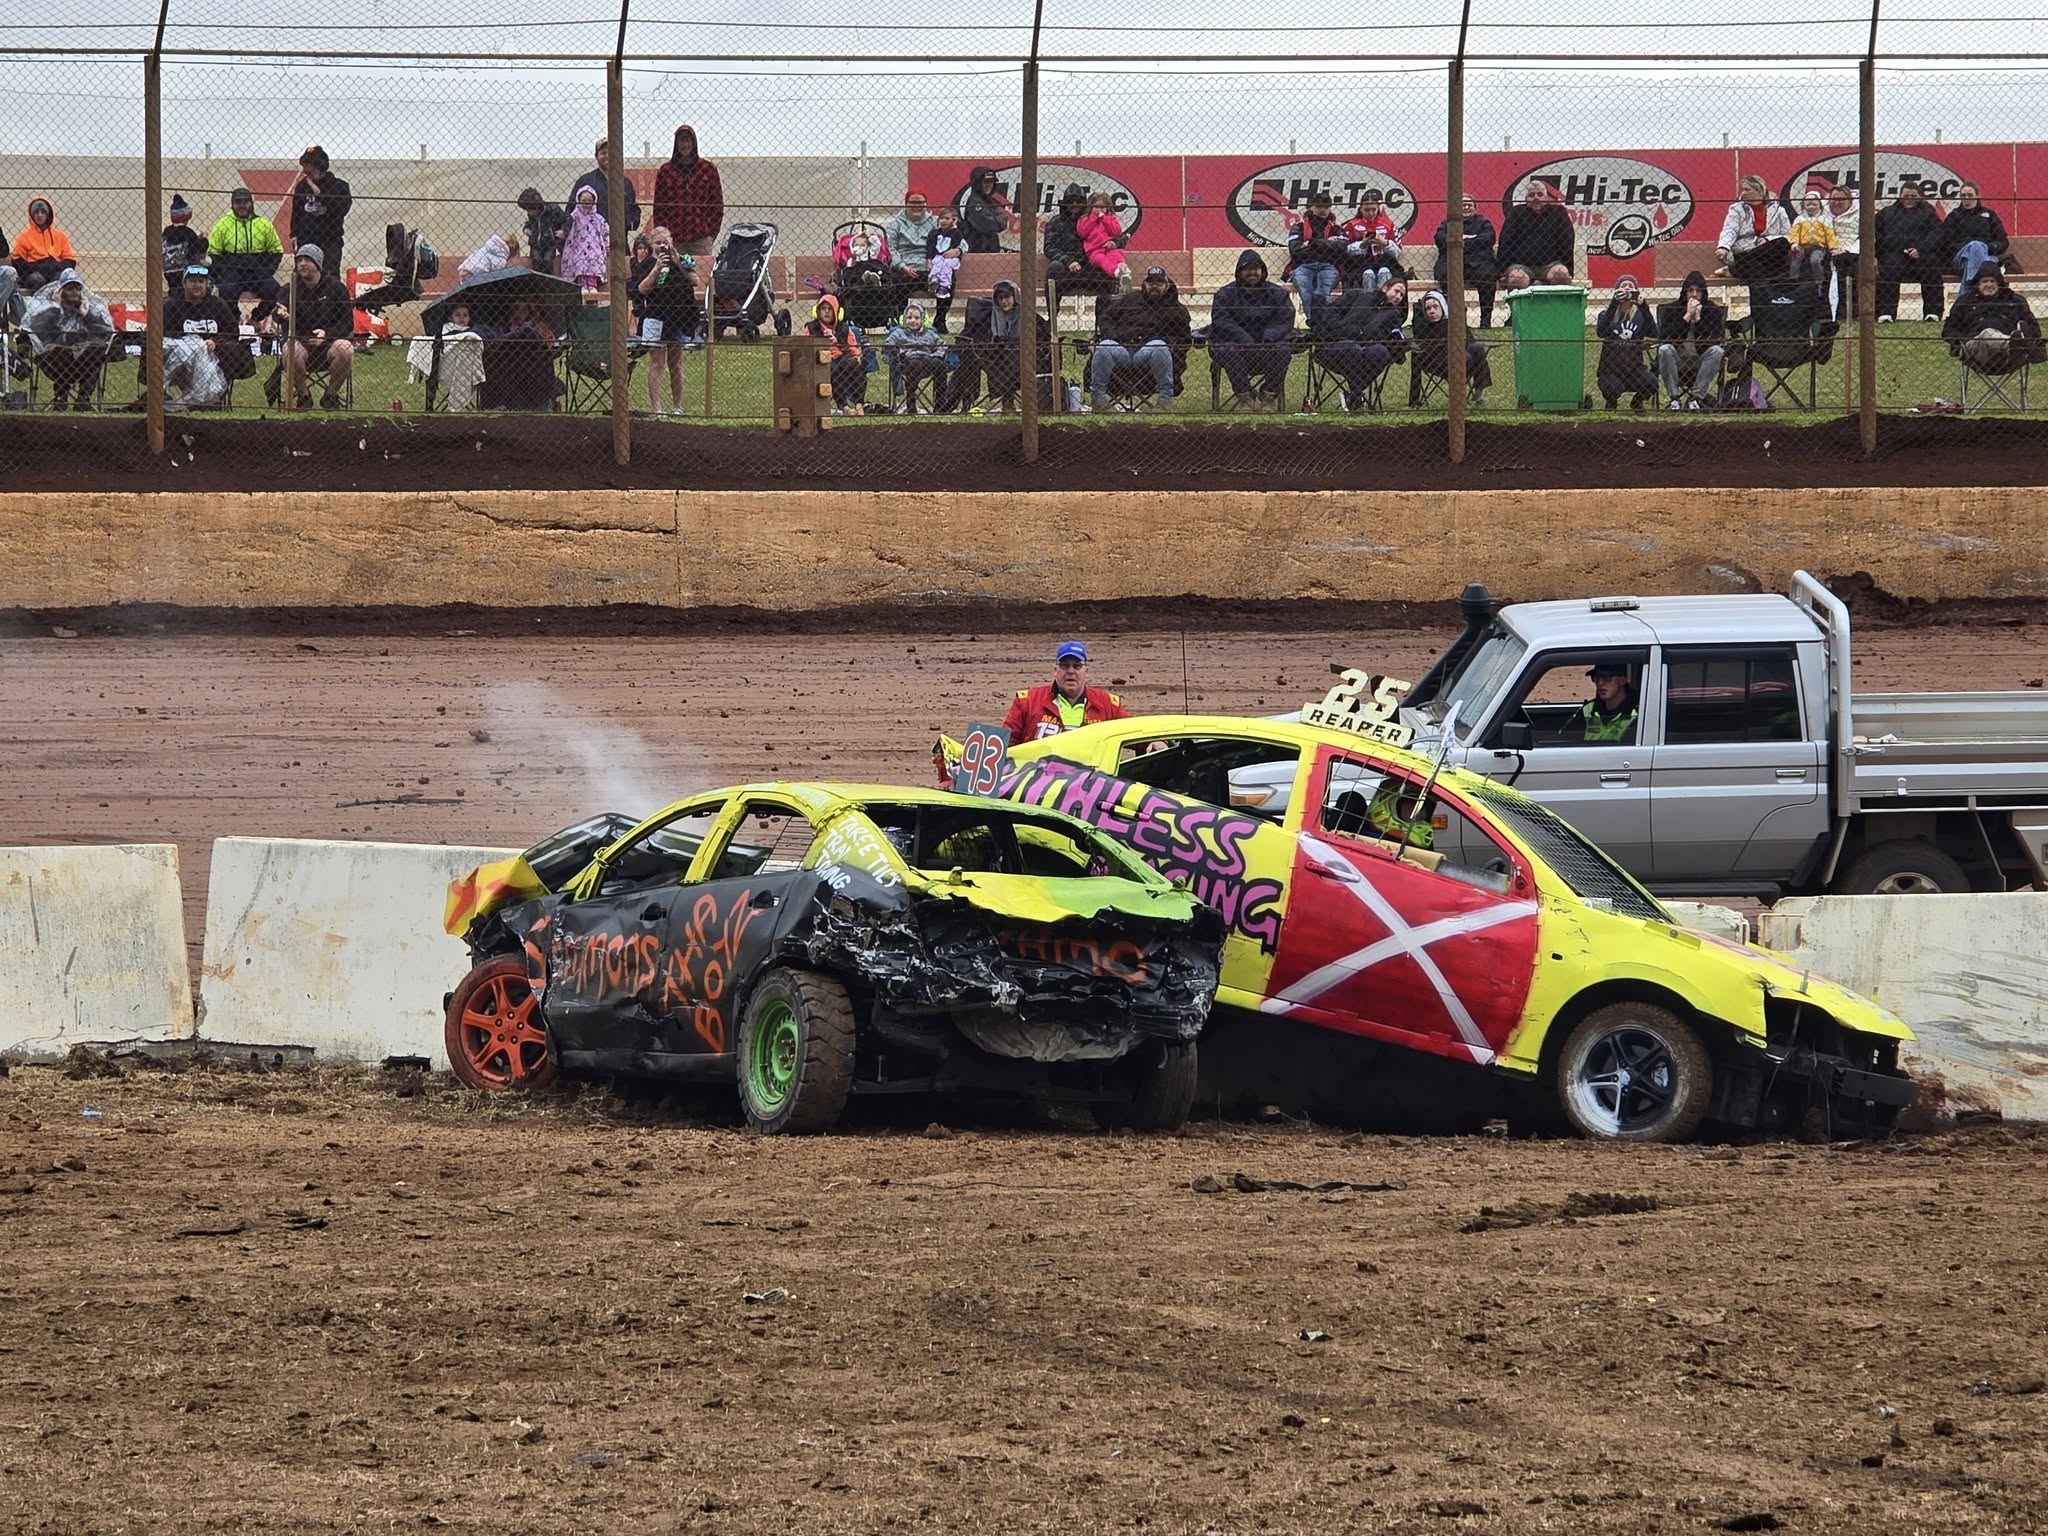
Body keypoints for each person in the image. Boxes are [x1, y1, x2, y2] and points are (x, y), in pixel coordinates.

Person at [1087, 264, 1188, 413]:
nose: (1154, 286)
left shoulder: (1176, 309)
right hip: (1122, 349)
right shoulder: (1130, 299)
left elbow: (1183, 336)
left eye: (1159, 283)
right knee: (1104, 346)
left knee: (1159, 346)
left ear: (1167, 286)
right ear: (1144, 284)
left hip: (1148, 353)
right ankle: (1099, 401)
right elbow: (1106, 318)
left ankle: (1164, 402)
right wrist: (1115, 337)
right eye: (1151, 283)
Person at [1210, 248, 1296, 412]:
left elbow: (1285, 320)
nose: (1252, 273)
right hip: (1238, 347)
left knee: (1284, 349)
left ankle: (1268, 396)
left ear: (1262, 271)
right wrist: (1242, 337)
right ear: (1239, 271)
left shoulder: (1277, 293)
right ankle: (1245, 397)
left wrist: (1270, 336)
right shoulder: (1225, 294)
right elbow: (1221, 321)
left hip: (1268, 346)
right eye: (1247, 269)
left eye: (1256, 269)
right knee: (1225, 349)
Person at [1310, 272, 1406, 413]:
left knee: (1380, 352)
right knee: (1351, 348)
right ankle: (1356, 397)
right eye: (1396, 291)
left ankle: (1354, 395)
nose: (1398, 297)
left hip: (1368, 349)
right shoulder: (1357, 295)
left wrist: (1366, 335)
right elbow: (1331, 312)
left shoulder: (1394, 315)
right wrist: (1344, 330)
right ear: (1385, 288)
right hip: (1337, 344)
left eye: (1402, 295)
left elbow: (1387, 335)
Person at [1001, 642, 1129, 743]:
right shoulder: (1027, 701)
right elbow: (1004, 744)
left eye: (1077, 666)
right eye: (1064, 665)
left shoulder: (1108, 704)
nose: (1071, 671)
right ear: (1055, 670)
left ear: (1086, 671)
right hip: (1040, 774)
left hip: (1092, 775)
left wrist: (1149, 743)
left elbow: (1133, 733)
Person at [22, 269, 114, 409]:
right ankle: (61, 397)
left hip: (84, 361)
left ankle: (83, 399)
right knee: (61, 351)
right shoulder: (47, 307)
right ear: (60, 291)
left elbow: (105, 330)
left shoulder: (88, 308)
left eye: (78, 289)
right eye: (70, 288)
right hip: (55, 359)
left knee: (96, 350)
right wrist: (55, 307)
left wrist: (86, 314)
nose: (75, 292)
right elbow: (36, 327)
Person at [279, 244, 355, 409]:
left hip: (328, 344)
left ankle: (330, 395)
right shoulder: (289, 288)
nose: (303, 264)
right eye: (299, 260)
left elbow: (348, 322)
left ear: (318, 264)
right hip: (300, 343)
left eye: (308, 260)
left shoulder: (336, 288)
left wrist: (326, 334)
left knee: (345, 348)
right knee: (289, 349)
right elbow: (277, 315)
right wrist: (280, 314)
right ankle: (304, 396)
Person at [158, 262, 242, 410]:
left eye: (201, 281)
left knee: (201, 347)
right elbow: (164, 334)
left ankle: (164, 390)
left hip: (214, 357)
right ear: (184, 283)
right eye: (192, 281)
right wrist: (192, 346)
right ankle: (203, 398)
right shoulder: (172, 306)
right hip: (180, 358)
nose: (197, 285)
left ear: (207, 284)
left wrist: (216, 342)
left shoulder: (218, 305)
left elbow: (233, 332)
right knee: (194, 346)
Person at [636, 229, 700, 416]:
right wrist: (657, 268)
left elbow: (695, 280)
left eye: (666, 242)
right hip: (655, 315)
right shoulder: (647, 262)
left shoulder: (684, 259)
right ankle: (657, 409)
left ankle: (677, 407)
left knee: (676, 364)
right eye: (658, 243)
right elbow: (642, 289)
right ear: (652, 245)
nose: (662, 246)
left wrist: (677, 260)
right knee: (657, 364)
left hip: (678, 315)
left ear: (672, 242)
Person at [206, 186, 285, 327]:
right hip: (232, 269)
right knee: (226, 291)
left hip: (257, 270)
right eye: (238, 202)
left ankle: (255, 319)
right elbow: (214, 252)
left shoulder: (264, 224)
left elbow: (276, 250)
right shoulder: (222, 225)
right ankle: (234, 321)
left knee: (274, 290)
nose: (242, 205)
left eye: (245, 202)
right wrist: (221, 273)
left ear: (251, 203)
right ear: (232, 204)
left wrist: (268, 271)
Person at [652, 125, 723, 280]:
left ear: (694, 143)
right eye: (681, 141)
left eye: (688, 141)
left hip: (700, 237)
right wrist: (664, 235)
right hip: (674, 238)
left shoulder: (707, 169)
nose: (685, 145)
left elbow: (716, 204)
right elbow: (659, 207)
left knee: (700, 279)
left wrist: (710, 234)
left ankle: (700, 306)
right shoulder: (666, 170)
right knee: (673, 278)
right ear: (676, 144)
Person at [948, 279, 1028, 414]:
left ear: (1015, 297)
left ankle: (1009, 401)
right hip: (994, 357)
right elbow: (973, 335)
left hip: (1021, 357)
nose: (1003, 302)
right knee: (968, 360)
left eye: (1007, 297)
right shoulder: (988, 317)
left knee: (1012, 355)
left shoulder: (1026, 316)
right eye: (1000, 298)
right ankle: (962, 402)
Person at [1943, 267, 2040, 374]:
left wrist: (2032, 336)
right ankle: (2017, 344)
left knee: (2018, 332)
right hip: (1976, 351)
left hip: (2009, 358)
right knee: (1987, 333)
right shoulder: (1965, 301)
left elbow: (2034, 327)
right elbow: (1948, 329)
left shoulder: (2015, 300)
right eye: (1985, 281)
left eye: (1992, 281)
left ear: (1999, 283)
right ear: (1977, 284)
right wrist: (1962, 341)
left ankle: (2015, 344)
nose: (1989, 285)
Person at [1874, 179, 1945, 322]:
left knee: (1931, 265)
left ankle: (1932, 313)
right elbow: (1877, 233)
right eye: (1906, 195)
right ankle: (1886, 312)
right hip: (1894, 254)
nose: (1910, 199)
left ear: (1919, 196)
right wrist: (1894, 248)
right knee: (1888, 267)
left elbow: (1937, 234)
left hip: (1921, 255)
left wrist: (1921, 249)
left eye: (1913, 196)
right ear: (1900, 196)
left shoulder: (1929, 213)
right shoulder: (1887, 213)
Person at [1655, 270, 1726, 412]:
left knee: (1717, 351)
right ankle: (1674, 399)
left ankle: (1696, 399)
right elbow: (1665, 337)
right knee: (1664, 349)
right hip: (1678, 360)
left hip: (1701, 361)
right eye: (1690, 290)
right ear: (1684, 292)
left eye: (1698, 291)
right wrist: (1687, 316)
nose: (1694, 294)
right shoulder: (1672, 309)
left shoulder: (1713, 310)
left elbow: (1714, 339)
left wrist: (1698, 319)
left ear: (1703, 293)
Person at [1409, 288, 1490, 407]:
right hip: (1438, 363)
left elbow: (1469, 341)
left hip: (1463, 359)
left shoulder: (1454, 323)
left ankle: (1479, 392)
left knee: (1477, 348)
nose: (1432, 311)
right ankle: (1458, 398)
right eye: (1428, 308)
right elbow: (1420, 354)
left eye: (1435, 307)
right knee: (1463, 356)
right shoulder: (1423, 329)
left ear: (1443, 307)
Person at [1594, 273, 1659, 411]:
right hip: (1610, 369)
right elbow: (1601, 332)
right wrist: (1614, 303)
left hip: (1634, 369)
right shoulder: (1606, 314)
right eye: (1623, 286)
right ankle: (1611, 402)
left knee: (1651, 382)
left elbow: (1654, 333)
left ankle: (1637, 402)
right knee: (1613, 387)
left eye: (1631, 287)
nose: (1627, 289)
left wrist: (1644, 306)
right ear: (1616, 290)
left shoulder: (1640, 315)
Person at [1434, 193, 1500, 327]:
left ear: (1475, 208)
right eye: (1462, 205)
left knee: (1487, 276)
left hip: (1479, 262)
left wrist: (1460, 242)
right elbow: (1440, 239)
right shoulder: (1447, 223)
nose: (1466, 207)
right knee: (1445, 274)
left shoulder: (1484, 222)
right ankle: (1455, 318)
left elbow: (1488, 239)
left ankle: (1485, 319)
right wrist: (1472, 240)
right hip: (1451, 260)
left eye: (1469, 205)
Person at [1044, 184, 1114, 302]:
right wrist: (1068, 261)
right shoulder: (1056, 222)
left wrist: (1115, 242)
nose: (1075, 204)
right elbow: (1049, 247)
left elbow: (1116, 233)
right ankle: (1052, 317)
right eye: (1071, 201)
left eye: (1078, 201)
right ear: (1065, 203)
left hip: (1090, 268)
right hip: (1067, 270)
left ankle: (1105, 317)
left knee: (1107, 268)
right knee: (1055, 267)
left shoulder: (1095, 220)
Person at [1714, 174, 1791, 283]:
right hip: (1745, 250)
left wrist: (1768, 239)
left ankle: (1736, 268)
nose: (1743, 193)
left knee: (1781, 242)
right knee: (1755, 267)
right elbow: (1730, 229)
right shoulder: (1737, 209)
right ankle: (1745, 269)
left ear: (1759, 191)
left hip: (1768, 254)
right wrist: (1723, 247)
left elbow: (1788, 235)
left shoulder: (1779, 211)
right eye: (1743, 189)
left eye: (1747, 189)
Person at [286, 146, 351, 272]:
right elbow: (297, 213)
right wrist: (294, 234)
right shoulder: (302, 187)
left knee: (329, 278)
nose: (305, 170)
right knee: (302, 277)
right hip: (306, 241)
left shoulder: (339, 186)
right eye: (304, 166)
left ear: (319, 166)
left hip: (330, 242)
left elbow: (341, 210)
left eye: (308, 165)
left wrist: (319, 194)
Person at [1286, 189, 1346, 326]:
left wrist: (1311, 244)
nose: (1323, 210)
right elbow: (1295, 251)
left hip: (1329, 266)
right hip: (1303, 266)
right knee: (1305, 287)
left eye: (1326, 207)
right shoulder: (1299, 226)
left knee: (1321, 292)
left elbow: (1341, 249)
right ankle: (1316, 323)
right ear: (1311, 207)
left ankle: (1317, 323)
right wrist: (1327, 244)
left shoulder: (1337, 227)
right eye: (1319, 206)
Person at [882, 301, 951, 414]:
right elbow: (887, 345)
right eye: (909, 317)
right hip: (908, 361)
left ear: (923, 320)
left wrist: (936, 355)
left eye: (917, 318)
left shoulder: (930, 333)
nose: (913, 321)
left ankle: (939, 404)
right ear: (904, 319)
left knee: (940, 365)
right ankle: (911, 401)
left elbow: (942, 345)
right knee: (915, 363)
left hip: (928, 359)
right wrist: (895, 352)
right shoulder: (899, 333)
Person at [1496, 182, 1575, 281]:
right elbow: (1505, 241)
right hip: (1520, 266)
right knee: (1517, 278)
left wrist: (1567, 268)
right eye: (1531, 195)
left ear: (1546, 198)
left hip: (1551, 265)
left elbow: (1567, 242)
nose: (1536, 198)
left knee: (1561, 274)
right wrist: (1501, 271)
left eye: (1540, 194)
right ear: (1526, 199)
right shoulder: (1516, 212)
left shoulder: (1558, 212)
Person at [805, 291, 865, 415]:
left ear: (837, 312)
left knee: (853, 364)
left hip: (842, 356)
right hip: (822, 360)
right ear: (817, 311)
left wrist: (855, 355)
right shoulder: (811, 327)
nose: (826, 312)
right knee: (833, 368)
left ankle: (859, 403)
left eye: (830, 309)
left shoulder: (843, 328)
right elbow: (806, 347)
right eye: (823, 309)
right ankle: (843, 405)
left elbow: (853, 346)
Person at [1943, 182, 2010, 288]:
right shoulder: (1953, 216)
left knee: (1977, 247)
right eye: (1963, 195)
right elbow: (1946, 244)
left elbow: (2003, 242)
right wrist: (1969, 247)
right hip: (1961, 259)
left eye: (1970, 195)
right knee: (1975, 245)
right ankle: (1977, 286)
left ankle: (1970, 287)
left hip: (1986, 254)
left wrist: (1985, 247)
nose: (1966, 198)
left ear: (1978, 196)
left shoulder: (1990, 215)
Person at [567, 138, 639, 235]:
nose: (607, 156)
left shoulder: (625, 183)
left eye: (611, 152)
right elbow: (571, 209)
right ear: (596, 156)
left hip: (619, 239)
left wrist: (627, 223)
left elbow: (634, 210)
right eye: (603, 153)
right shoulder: (585, 181)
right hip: (591, 241)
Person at [1339, 189, 1402, 293]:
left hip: (1385, 263)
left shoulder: (1388, 225)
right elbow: (1344, 250)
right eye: (1367, 210)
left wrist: (1385, 243)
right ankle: (1368, 303)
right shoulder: (1352, 225)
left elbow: (1398, 252)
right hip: (1360, 266)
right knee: (1369, 273)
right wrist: (1362, 244)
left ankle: (1382, 304)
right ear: (1361, 209)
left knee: (1384, 272)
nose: (1371, 213)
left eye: (1374, 209)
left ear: (1378, 208)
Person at [12, 196, 78, 294]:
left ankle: (55, 307)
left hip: (55, 270)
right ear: (31, 215)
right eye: (36, 212)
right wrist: (39, 267)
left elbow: (70, 260)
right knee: (37, 280)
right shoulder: (24, 236)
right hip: (34, 272)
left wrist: (54, 266)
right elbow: (17, 262)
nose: (40, 215)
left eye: (43, 212)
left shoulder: (60, 236)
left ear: (48, 215)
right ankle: (38, 306)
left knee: (59, 278)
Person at [883, 189, 937, 291]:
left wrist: (958, 250)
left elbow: (958, 239)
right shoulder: (895, 224)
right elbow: (889, 247)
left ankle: (942, 307)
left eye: (920, 203)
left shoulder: (936, 222)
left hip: (930, 269)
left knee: (947, 280)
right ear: (906, 204)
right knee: (893, 284)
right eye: (913, 203)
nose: (917, 206)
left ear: (926, 205)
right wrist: (902, 266)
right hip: (904, 270)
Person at [1077, 190, 1132, 290]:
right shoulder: (1085, 219)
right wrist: (1093, 217)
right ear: (1090, 207)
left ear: (1107, 208)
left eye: (1102, 207)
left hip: (1110, 247)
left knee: (1116, 256)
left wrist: (1105, 219)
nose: (1099, 210)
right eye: (1096, 207)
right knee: (1102, 260)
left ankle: (1124, 273)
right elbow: (1082, 232)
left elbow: (1116, 232)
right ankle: (1117, 272)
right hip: (1094, 251)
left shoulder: (1111, 218)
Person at [1572, 662, 1638, 744]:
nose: (1600, 683)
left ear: (1622, 680)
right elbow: (1568, 740)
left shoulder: (1639, 713)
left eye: (1607, 677)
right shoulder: (1588, 709)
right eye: (1596, 678)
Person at [926, 204, 968, 333]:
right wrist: (929, 259)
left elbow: (961, 244)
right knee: (940, 269)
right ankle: (935, 281)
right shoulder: (934, 233)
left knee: (948, 281)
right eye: (941, 218)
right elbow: (930, 248)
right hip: (936, 263)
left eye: (947, 218)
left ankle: (940, 319)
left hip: (948, 264)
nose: (943, 221)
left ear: (954, 220)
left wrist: (957, 249)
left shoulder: (957, 234)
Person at [560, 185, 609, 290]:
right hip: (577, 247)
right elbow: (566, 228)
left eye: (589, 200)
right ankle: (582, 284)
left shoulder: (599, 218)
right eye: (584, 200)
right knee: (579, 260)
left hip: (595, 248)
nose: (586, 203)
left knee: (595, 260)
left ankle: (592, 284)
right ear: (578, 200)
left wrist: (607, 246)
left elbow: (606, 233)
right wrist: (563, 233)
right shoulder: (574, 217)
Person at [1788, 190, 1838, 291]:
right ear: (1803, 206)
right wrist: (1794, 244)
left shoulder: (1824, 219)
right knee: (1795, 260)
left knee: (1815, 260)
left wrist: (1833, 247)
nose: (1811, 207)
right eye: (1808, 204)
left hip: (1818, 246)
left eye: (1814, 204)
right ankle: (1793, 281)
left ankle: (1819, 282)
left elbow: (1830, 234)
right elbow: (1794, 233)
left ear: (1820, 205)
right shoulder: (1800, 219)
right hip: (1802, 246)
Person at [160, 195, 209, 294]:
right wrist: (204, 239)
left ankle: (173, 296)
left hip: (168, 270)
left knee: (174, 289)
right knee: (206, 263)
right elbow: (199, 246)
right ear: (186, 217)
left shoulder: (166, 232)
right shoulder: (188, 232)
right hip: (184, 269)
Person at [1826, 185, 1861, 324]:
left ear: (1850, 200)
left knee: (1847, 267)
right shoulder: (1823, 213)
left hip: (1850, 251)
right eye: (1834, 199)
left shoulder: (1859, 214)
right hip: (1827, 250)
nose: (1837, 202)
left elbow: (1865, 237)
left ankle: (1846, 311)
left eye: (1842, 199)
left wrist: (1849, 249)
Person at [516, 188, 569, 278]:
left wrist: (564, 231)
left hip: (550, 243)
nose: (528, 212)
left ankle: (548, 281)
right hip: (535, 243)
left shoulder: (553, 209)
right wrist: (526, 229)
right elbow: (529, 223)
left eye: (529, 210)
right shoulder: (532, 214)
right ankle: (537, 281)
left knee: (548, 260)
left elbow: (565, 220)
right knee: (536, 260)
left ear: (536, 207)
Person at [962, 166, 1010, 254]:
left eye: (992, 182)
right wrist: (997, 220)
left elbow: (1004, 221)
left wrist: (997, 221)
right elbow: (987, 225)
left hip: (991, 246)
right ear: (978, 183)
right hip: (977, 247)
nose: (989, 185)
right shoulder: (975, 200)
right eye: (986, 182)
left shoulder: (990, 200)